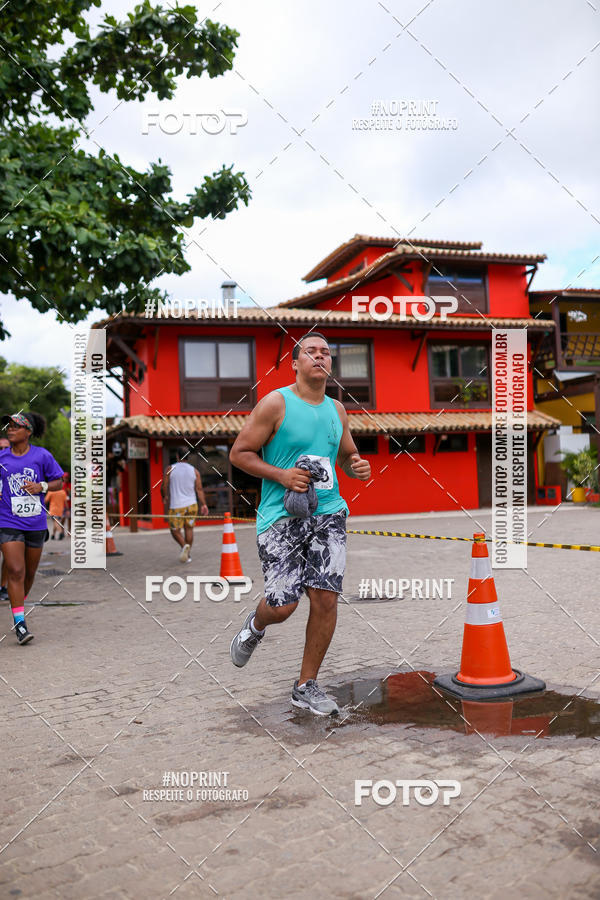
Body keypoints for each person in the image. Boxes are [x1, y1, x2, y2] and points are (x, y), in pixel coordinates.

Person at [228, 332, 371, 716]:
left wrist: (357, 466)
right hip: (280, 516)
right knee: (283, 605)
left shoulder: (338, 410)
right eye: (311, 352)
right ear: (295, 363)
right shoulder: (276, 403)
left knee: (325, 597)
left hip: (328, 512)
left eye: (326, 353)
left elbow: (347, 454)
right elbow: (239, 453)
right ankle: (256, 625)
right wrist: (281, 476)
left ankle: (306, 685)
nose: (320, 357)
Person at [0, 412, 64, 643]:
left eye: (16, 426)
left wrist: (41, 486)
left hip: (35, 523)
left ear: (28, 432)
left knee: (29, 574)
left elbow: (59, 480)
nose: (10, 429)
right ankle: (20, 624)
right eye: (9, 425)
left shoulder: (42, 456)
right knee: (16, 571)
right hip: (8, 521)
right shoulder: (2, 458)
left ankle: (19, 605)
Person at [161, 450, 209, 563]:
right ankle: (187, 553)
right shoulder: (194, 471)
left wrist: (164, 496)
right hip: (192, 505)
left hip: (176, 505)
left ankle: (184, 547)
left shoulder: (170, 469)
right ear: (188, 457)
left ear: (177, 456)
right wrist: (204, 504)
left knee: (174, 530)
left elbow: (164, 485)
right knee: (189, 529)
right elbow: (199, 489)